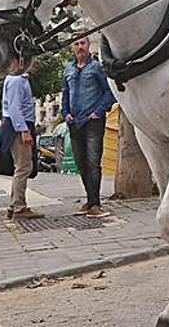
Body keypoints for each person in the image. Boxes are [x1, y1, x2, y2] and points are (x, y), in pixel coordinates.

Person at [62, 36, 117, 218]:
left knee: (93, 163)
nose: (80, 47)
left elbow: (110, 92)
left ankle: (95, 204)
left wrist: (99, 112)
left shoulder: (96, 67)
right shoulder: (68, 68)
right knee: (81, 164)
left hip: (92, 121)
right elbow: (65, 93)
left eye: (83, 43)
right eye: (76, 44)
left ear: (88, 45)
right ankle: (89, 200)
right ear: (72, 48)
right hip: (74, 122)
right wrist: (65, 113)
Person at [1, 58, 42, 220]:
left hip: (18, 126)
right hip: (17, 127)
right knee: (24, 167)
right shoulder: (17, 80)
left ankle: (14, 205)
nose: (36, 62)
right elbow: (14, 108)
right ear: (22, 61)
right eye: (33, 59)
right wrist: (23, 130)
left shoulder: (19, 79)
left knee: (22, 166)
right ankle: (19, 207)